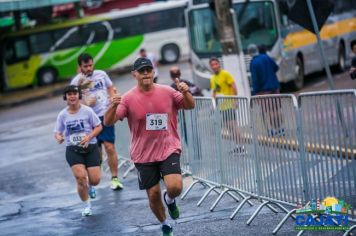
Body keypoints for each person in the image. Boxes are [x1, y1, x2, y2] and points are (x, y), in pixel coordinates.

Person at [104, 57, 195, 236]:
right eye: (141, 71)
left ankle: (169, 199)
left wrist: (186, 92)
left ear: (153, 72)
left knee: (175, 187)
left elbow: (190, 105)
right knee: (152, 194)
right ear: (134, 74)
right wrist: (113, 105)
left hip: (168, 147)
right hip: (143, 154)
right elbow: (108, 121)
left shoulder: (168, 91)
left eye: (148, 70)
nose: (145, 73)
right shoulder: (128, 98)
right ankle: (165, 223)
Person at [71, 53, 123, 193]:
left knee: (110, 147)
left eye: (90, 65)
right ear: (80, 66)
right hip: (89, 120)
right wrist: (85, 102)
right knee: (96, 153)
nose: (89, 68)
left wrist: (113, 100)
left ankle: (115, 179)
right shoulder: (77, 81)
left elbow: (110, 88)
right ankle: (92, 183)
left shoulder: (101, 74)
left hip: (105, 115)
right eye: (85, 66)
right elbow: (73, 102)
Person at [54, 85, 102, 216]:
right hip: (73, 150)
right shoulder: (62, 115)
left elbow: (98, 126)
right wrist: (59, 137)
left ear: (79, 96)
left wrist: (89, 137)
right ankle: (87, 205)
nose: (72, 96)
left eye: (74, 93)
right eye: (69, 94)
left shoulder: (87, 111)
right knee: (81, 179)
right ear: (65, 97)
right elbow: (57, 132)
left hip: (90, 147)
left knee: (96, 179)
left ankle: (91, 186)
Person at [209, 57, 244, 153]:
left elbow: (234, 86)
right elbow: (214, 92)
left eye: (216, 64)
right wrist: (213, 105)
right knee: (229, 128)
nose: (214, 66)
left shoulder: (225, 74)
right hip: (221, 107)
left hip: (229, 105)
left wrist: (235, 100)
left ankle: (242, 147)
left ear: (219, 64)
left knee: (233, 126)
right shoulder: (213, 78)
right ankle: (238, 146)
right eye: (212, 65)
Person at [247, 44, 284, 136]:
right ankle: (281, 128)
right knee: (276, 109)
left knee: (269, 110)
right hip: (275, 87)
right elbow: (276, 67)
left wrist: (255, 92)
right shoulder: (266, 57)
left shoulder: (253, 63)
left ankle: (273, 130)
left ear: (249, 53)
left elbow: (255, 80)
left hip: (263, 91)